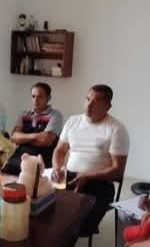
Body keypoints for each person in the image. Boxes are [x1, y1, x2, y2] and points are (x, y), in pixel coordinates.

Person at [52, 84, 129, 235]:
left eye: (96, 102)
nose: (89, 105)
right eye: (87, 99)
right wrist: (57, 168)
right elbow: (59, 151)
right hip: (69, 177)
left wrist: (87, 176)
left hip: (99, 183)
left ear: (107, 106)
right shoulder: (73, 121)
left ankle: (65, 242)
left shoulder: (116, 129)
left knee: (74, 222)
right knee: (46, 209)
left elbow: (117, 170)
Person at [3, 82, 63, 175]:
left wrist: (23, 139)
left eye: (40, 97)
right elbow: (14, 137)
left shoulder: (55, 115)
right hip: (19, 157)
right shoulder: (25, 114)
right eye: (33, 96)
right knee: (2, 168)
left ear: (48, 98)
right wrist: (37, 136)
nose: (36, 100)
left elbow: (46, 140)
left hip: (41, 159)